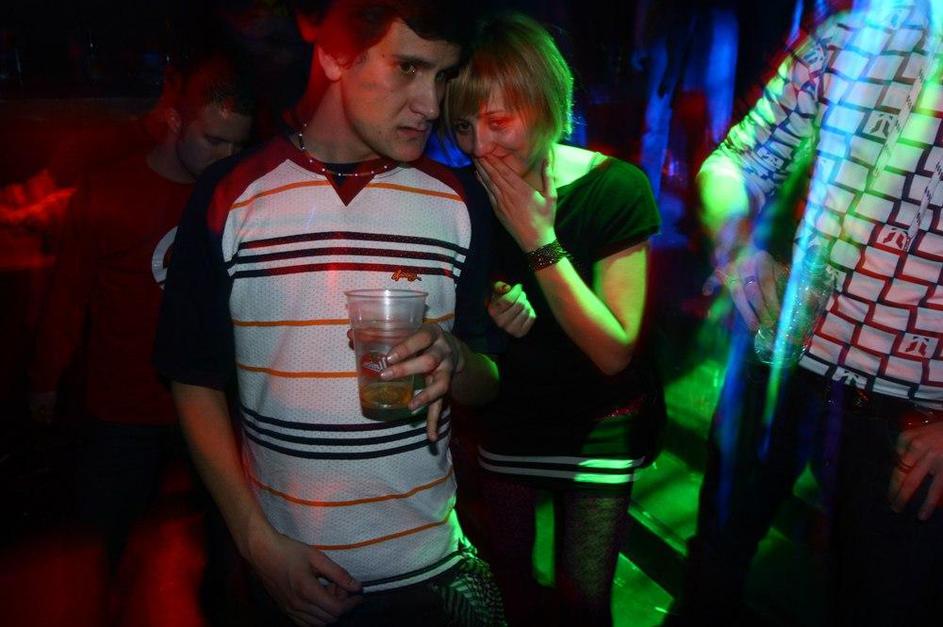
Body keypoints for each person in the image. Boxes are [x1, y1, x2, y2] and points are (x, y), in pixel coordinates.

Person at [153, 1, 509, 625]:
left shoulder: (460, 201)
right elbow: (193, 377)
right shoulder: (230, 194)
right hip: (289, 574)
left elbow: (488, 378)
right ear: (337, 54)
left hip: (429, 571)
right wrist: (257, 545)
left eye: (444, 75)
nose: (432, 103)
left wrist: (457, 359)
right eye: (408, 67)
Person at [675, 1, 943, 624]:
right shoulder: (850, 34)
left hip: (911, 419)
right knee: (714, 565)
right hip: (782, 358)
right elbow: (737, 161)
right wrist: (737, 244)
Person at [445, 13, 664, 626]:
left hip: (599, 424)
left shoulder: (616, 188)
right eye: (462, 127)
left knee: (583, 603)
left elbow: (614, 350)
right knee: (510, 586)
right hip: (508, 420)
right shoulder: (459, 195)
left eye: (498, 122)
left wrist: (539, 241)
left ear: (545, 105)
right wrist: (486, 304)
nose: (480, 146)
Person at [26, 53, 254, 570]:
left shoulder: (238, 196)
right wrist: (44, 382)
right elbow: (67, 298)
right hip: (121, 412)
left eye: (237, 144)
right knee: (99, 551)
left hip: (211, 406)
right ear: (174, 121)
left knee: (228, 552)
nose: (227, 156)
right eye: (213, 140)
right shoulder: (109, 190)